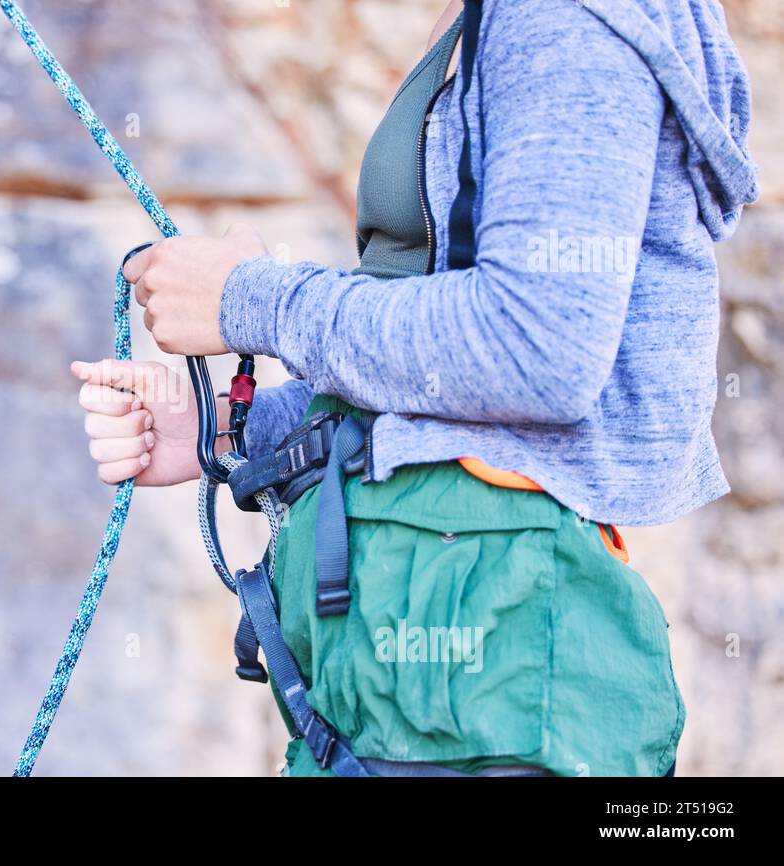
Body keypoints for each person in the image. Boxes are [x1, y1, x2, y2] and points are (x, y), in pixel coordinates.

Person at [70, 0, 757, 776]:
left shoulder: (560, 14)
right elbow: (457, 363)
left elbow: (539, 347)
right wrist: (235, 426)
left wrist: (249, 300)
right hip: (426, 658)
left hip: (484, 661)